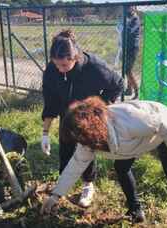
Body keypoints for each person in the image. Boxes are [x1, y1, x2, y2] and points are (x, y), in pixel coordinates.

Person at [41, 97, 167, 227]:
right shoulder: (87, 140)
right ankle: (135, 210)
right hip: (131, 144)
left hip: (161, 131)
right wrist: (56, 195)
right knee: (121, 167)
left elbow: (166, 127)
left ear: (90, 130)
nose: (80, 144)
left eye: (80, 139)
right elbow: (75, 166)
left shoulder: (129, 120)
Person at [41, 30, 124, 208]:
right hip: (67, 115)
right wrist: (45, 133)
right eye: (56, 65)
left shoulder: (94, 68)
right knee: (65, 148)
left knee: (86, 148)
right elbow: (50, 102)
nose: (59, 69)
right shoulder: (52, 70)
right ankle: (63, 185)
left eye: (63, 65)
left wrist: (100, 107)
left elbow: (117, 84)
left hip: (88, 116)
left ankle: (88, 184)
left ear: (75, 58)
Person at [123, 6, 141, 100]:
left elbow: (129, 31)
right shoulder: (128, 18)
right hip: (126, 46)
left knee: (127, 70)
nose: (127, 10)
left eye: (129, 8)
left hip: (133, 47)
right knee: (126, 69)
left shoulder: (135, 19)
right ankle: (129, 89)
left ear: (133, 9)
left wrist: (124, 25)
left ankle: (136, 90)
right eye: (127, 8)